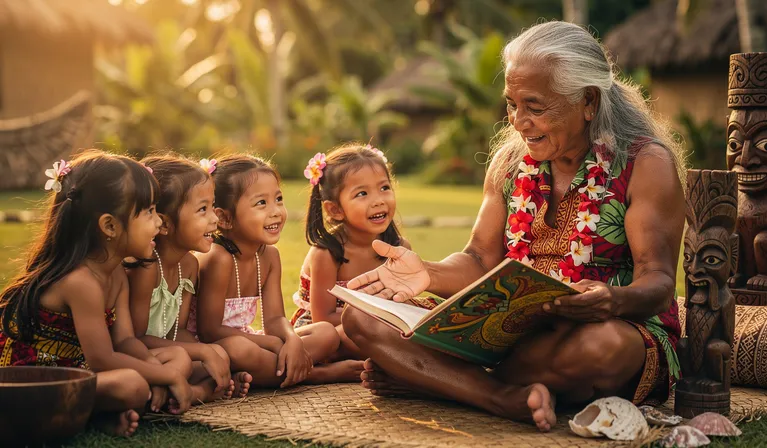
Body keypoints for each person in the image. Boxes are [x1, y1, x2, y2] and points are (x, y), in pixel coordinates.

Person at [342, 21, 686, 432]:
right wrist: (427, 273)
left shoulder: (645, 164)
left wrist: (612, 300)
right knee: (359, 319)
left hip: (604, 331)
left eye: (535, 107)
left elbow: (659, 281)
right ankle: (501, 397)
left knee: (604, 346)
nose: (519, 122)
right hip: (507, 332)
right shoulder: (508, 164)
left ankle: (436, 380)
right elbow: (478, 258)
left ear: (588, 101)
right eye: (511, 104)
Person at [0, 151, 196, 437]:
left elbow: (126, 340)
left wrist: (157, 366)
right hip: (29, 380)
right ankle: (98, 415)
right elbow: (103, 360)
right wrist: (164, 376)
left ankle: (96, 414)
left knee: (178, 357)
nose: (158, 222)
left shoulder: (116, 273)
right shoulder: (81, 282)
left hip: (76, 370)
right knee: (133, 384)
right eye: (149, 212)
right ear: (110, 226)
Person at [194, 154, 362, 387]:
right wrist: (275, 344)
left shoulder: (269, 256)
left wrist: (290, 338)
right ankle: (316, 374)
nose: (276, 211)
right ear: (224, 217)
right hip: (216, 346)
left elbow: (274, 318)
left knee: (326, 333)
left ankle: (277, 371)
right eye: (261, 203)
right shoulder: (218, 258)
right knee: (239, 349)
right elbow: (210, 331)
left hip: (255, 340)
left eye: (278, 199)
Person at [291, 144, 435, 358]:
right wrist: (377, 320)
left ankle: (381, 360)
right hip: (327, 331)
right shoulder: (327, 253)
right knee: (331, 337)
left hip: (379, 328)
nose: (378, 200)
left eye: (384, 188)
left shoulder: (399, 249)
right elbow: (323, 318)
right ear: (335, 210)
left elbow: (400, 308)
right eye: (362, 193)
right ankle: (328, 371)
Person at [127, 154, 252, 401]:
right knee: (186, 360)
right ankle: (198, 392)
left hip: (168, 354)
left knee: (218, 354)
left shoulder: (189, 265)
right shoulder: (146, 267)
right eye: (202, 209)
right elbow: (136, 339)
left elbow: (178, 331)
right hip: (139, 356)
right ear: (164, 224)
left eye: (212, 206)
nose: (215, 218)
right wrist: (200, 352)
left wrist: (209, 352)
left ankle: (190, 389)